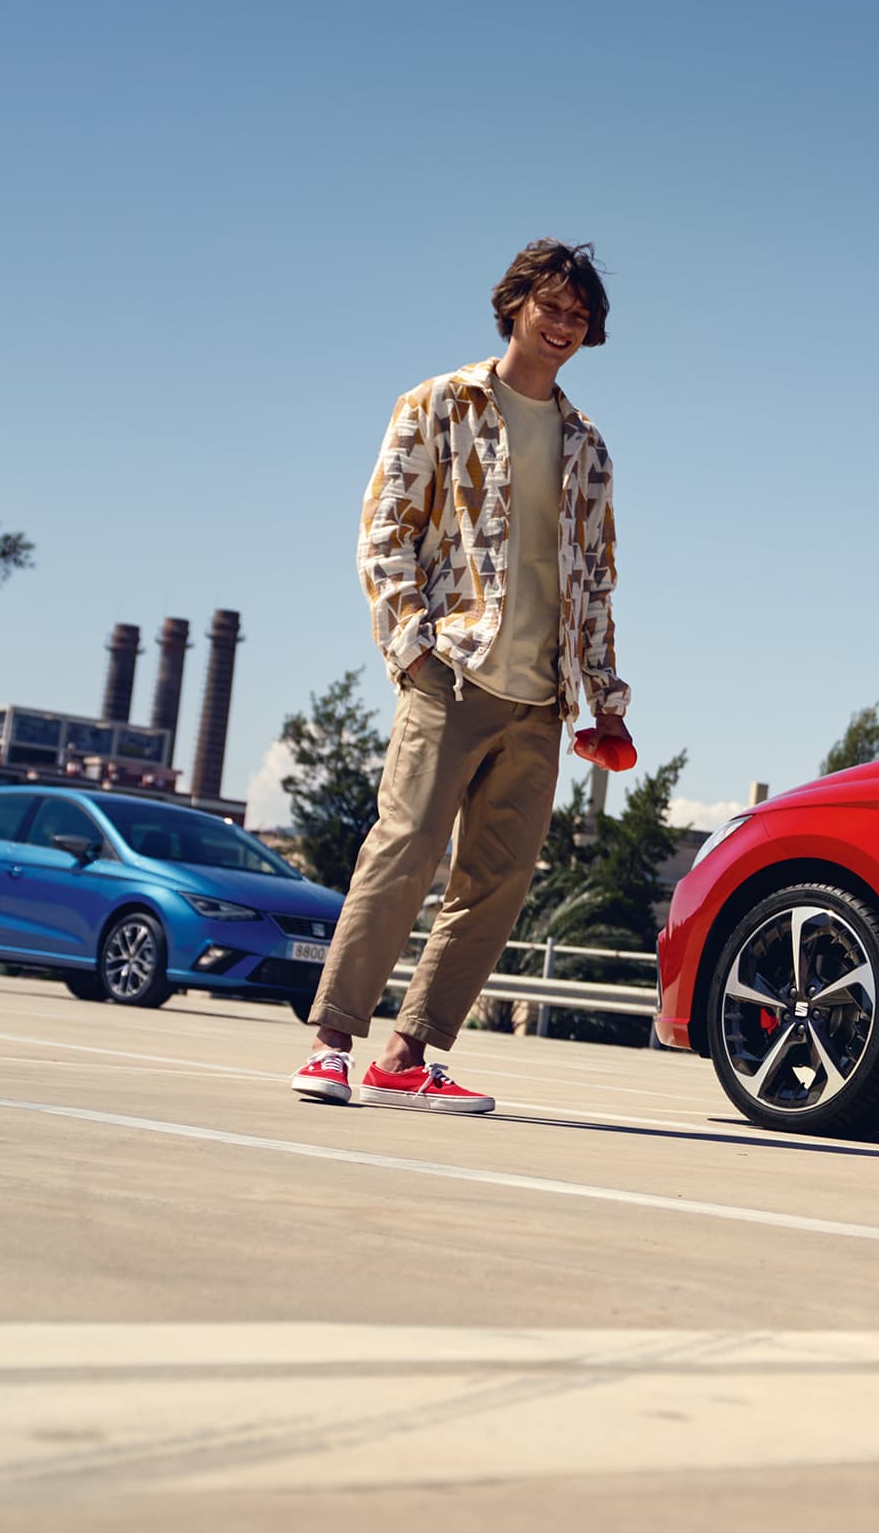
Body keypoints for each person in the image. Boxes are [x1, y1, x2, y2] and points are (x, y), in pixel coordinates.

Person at [289, 240, 635, 1115]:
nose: (563, 326)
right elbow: (384, 533)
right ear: (515, 305)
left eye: (579, 317)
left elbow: (595, 578)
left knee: (496, 882)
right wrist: (410, 648)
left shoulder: (587, 445)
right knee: (401, 854)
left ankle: (409, 1054)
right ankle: (332, 1043)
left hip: (541, 696)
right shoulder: (439, 404)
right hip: (452, 671)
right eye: (550, 308)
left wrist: (605, 697)